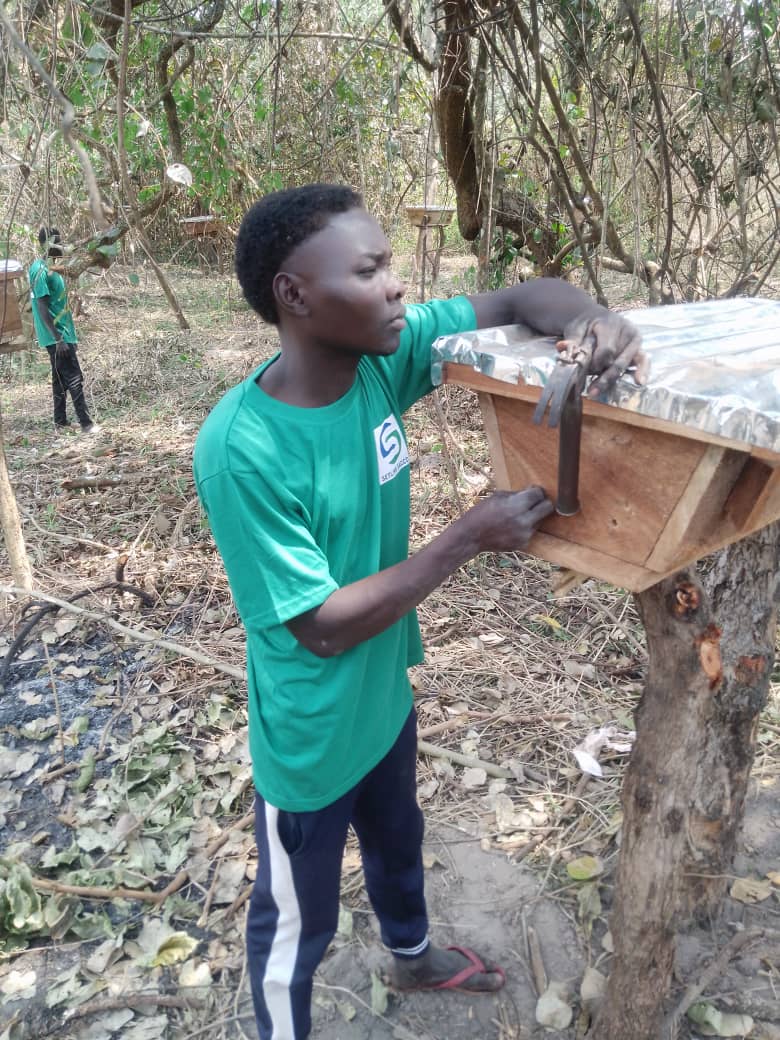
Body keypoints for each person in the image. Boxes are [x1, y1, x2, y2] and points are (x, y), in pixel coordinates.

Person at [193, 184, 646, 1040]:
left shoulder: (377, 361)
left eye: (391, 265)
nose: (397, 287)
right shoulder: (241, 449)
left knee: (401, 847)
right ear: (294, 294)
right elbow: (320, 626)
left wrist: (592, 321)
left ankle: (414, 957)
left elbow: (519, 298)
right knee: (296, 921)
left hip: (386, 702)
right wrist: (465, 536)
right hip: (313, 737)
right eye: (369, 270)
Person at [29, 227, 97, 433]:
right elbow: (41, 306)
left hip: (62, 334)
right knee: (74, 377)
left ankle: (60, 421)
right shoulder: (39, 270)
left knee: (60, 379)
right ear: (47, 244)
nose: (62, 246)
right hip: (57, 336)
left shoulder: (51, 268)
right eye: (58, 242)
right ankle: (86, 424)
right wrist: (59, 339)